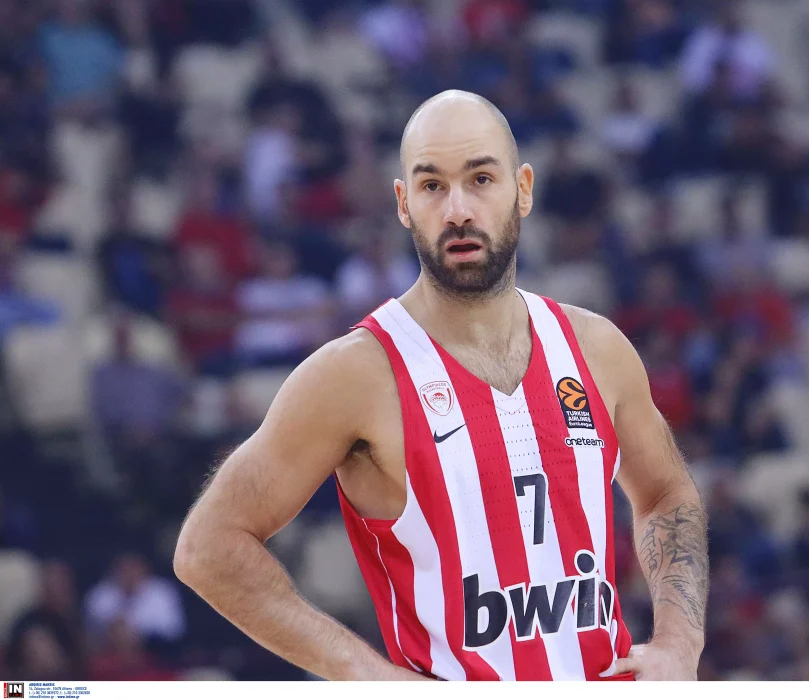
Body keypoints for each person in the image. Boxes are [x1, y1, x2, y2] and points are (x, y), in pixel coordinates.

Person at [174, 90, 708, 681]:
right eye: (432, 185)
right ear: (404, 204)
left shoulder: (596, 348)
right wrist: (368, 676)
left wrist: (679, 641)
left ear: (523, 189)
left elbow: (667, 494)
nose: (457, 209)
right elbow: (209, 546)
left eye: (481, 179)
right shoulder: (355, 373)